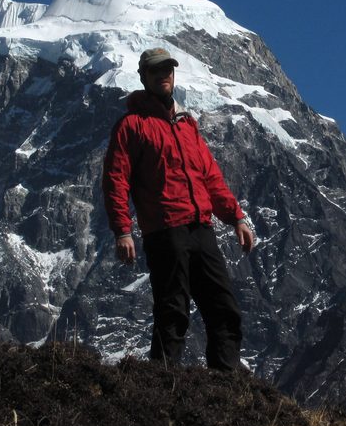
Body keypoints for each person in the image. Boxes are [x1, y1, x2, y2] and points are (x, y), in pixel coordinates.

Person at [102, 47, 254, 371]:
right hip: (165, 229)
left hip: (201, 225)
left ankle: (224, 393)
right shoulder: (132, 125)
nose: (164, 75)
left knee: (224, 309)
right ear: (143, 77)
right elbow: (116, 179)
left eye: (168, 69)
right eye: (157, 71)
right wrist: (123, 230)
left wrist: (236, 217)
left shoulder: (187, 125)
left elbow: (210, 176)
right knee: (173, 312)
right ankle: (163, 389)